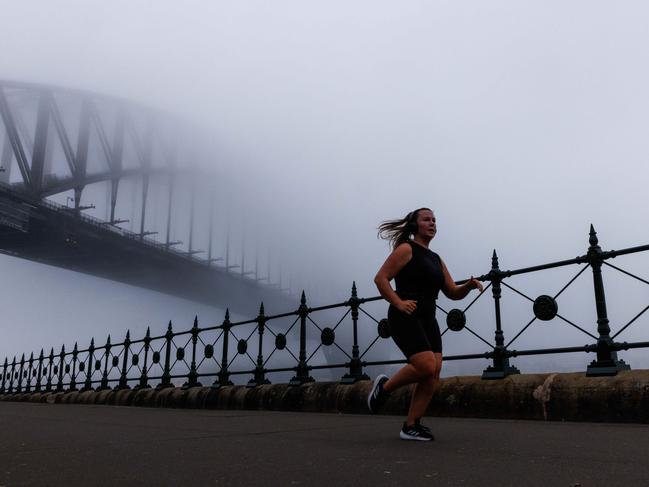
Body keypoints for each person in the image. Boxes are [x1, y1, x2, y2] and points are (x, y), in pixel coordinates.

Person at [368, 208, 483, 441]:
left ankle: (411, 425)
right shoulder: (406, 249)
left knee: (434, 371)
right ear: (415, 225)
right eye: (426, 219)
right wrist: (398, 303)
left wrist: (468, 287)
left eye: (434, 220)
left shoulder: (436, 259)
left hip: (428, 317)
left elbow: (451, 292)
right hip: (405, 314)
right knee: (426, 365)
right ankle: (384, 387)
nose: (432, 223)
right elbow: (381, 278)